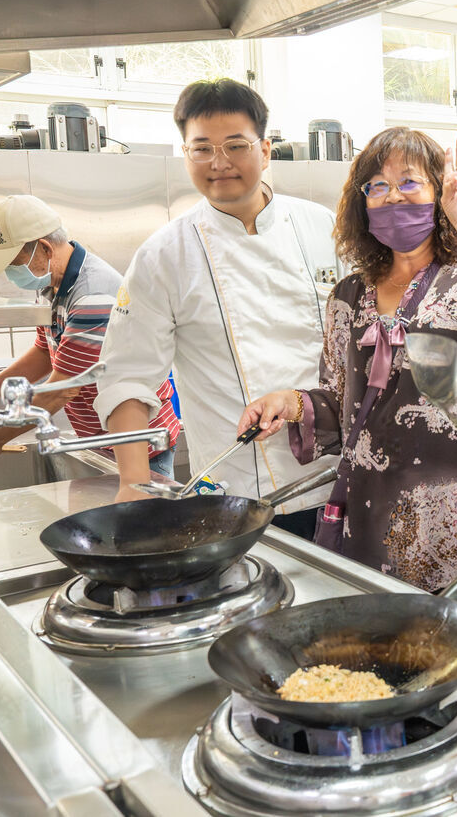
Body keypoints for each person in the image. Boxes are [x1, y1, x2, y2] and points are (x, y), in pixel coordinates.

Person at [237, 129, 457, 628]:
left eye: (409, 182)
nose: (393, 196)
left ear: (439, 193)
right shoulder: (349, 295)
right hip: (373, 521)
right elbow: (344, 404)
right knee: (387, 665)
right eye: (377, 186)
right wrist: (289, 402)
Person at [94, 78, 338, 536]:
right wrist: (133, 483)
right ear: (184, 154)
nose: (219, 163)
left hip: (337, 480)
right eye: (201, 148)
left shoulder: (321, 226)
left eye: (235, 145)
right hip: (239, 495)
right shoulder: (163, 255)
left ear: (265, 150)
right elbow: (127, 375)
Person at [0, 195, 179, 472]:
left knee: (140, 512)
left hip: (136, 443)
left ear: (44, 249)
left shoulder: (93, 295)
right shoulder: (52, 285)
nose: (10, 273)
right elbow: (46, 352)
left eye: (13, 263)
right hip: (99, 439)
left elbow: (61, 389)